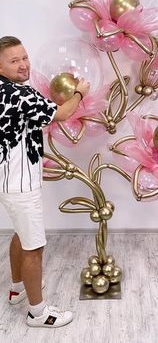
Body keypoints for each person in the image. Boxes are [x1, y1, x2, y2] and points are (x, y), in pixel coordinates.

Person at [0, 36, 90, 328]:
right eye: (14, 61)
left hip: (8, 181)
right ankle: (38, 313)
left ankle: (17, 290)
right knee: (34, 247)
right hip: (21, 185)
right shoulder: (19, 94)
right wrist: (79, 92)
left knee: (21, 235)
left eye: (24, 57)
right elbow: (61, 113)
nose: (24, 64)